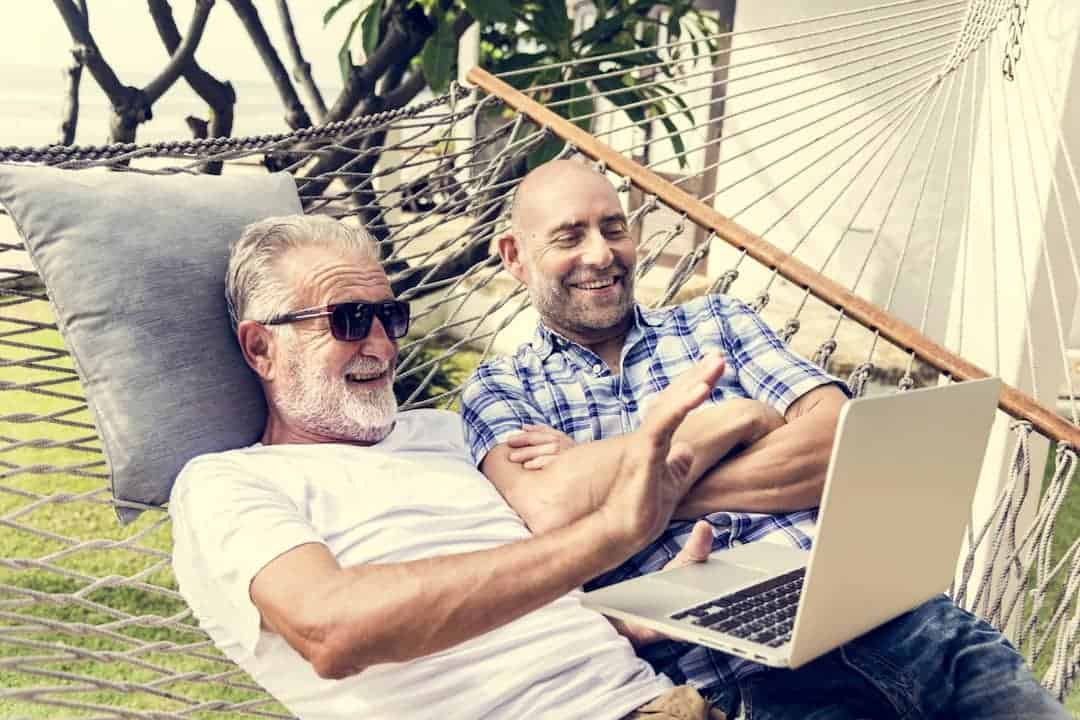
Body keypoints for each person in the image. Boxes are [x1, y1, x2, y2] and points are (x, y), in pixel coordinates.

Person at [459, 159, 1068, 719]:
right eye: (569, 236)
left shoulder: (717, 321)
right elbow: (551, 510)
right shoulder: (502, 389)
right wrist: (734, 420)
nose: (601, 254)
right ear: (514, 256)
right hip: (748, 676)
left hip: (903, 621)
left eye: (613, 228)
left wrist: (636, 495)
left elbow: (841, 447)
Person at [169, 214, 748, 720]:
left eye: (388, 316)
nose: (380, 344)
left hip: (663, 700)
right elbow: (331, 631)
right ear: (260, 348)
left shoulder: (449, 433)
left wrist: (621, 622)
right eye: (347, 320)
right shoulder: (225, 484)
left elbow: (528, 585)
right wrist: (612, 533)